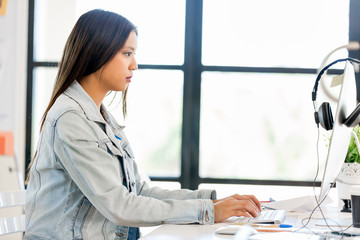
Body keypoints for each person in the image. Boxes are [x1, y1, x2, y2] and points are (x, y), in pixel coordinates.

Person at [24, 9, 261, 240]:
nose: (134, 65)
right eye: (127, 53)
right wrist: (207, 212)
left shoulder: (101, 118)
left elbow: (139, 191)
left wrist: (213, 202)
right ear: (98, 51)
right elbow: (121, 206)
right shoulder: (71, 119)